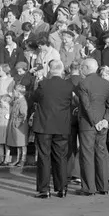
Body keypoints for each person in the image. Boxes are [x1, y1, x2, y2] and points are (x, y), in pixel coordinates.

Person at [31, 59, 75, 199]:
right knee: (60, 157)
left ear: (49, 69)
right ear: (61, 70)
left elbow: (33, 98)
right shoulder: (68, 86)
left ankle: (44, 189)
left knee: (44, 157)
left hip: (44, 125)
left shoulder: (43, 84)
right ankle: (62, 188)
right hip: (61, 126)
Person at [75, 58, 109, 196]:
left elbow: (86, 106)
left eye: (82, 67)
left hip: (88, 124)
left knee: (87, 155)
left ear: (86, 68)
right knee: (101, 154)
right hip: (102, 124)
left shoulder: (83, 83)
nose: (81, 70)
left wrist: (95, 121)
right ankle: (103, 186)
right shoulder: (106, 83)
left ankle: (88, 188)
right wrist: (105, 120)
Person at [6, 83, 29, 167]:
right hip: (17, 125)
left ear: (18, 92)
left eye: (14, 91)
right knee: (18, 143)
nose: (13, 92)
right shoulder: (17, 101)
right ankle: (18, 160)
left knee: (22, 144)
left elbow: (23, 114)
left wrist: (17, 123)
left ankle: (23, 160)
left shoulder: (22, 102)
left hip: (20, 126)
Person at [0, 94, 12, 166]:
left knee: (6, 144)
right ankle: (1, 159)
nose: (0, 103)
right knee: (0, 144)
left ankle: (7, 160)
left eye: (2, 102)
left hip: (5, 127)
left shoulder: (10, 108)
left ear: (6, 102)